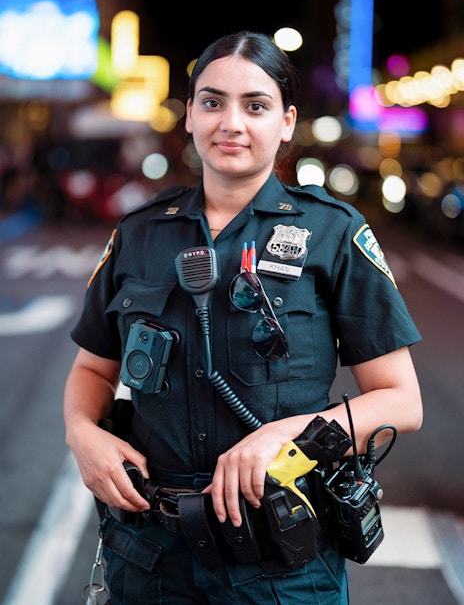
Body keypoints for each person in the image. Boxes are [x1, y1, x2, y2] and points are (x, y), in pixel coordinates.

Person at [63, 30, 423, 604]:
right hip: (150, 559)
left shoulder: (331, 231)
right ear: (189, 116)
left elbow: (401, 401)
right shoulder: (139, 234)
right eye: (212, 102)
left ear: (286, 121)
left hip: (283, 563)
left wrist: (287, 436)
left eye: (255, 105)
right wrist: (82, 433)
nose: (231, 122)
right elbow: (92, 370)